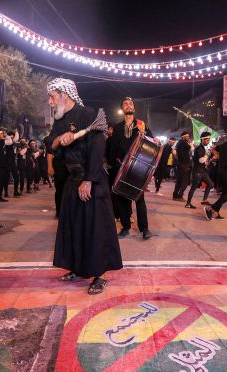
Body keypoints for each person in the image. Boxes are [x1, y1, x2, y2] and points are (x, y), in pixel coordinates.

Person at [47, 78, 122, 294]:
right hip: (71, 179)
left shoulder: (89, 115)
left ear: (65, 95)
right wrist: (61, 138)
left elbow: (98, 149)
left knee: (94, 228)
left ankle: (99, 276)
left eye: (52, 97)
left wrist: (89, 180)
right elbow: (49, 143)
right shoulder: (60, 120)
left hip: (91, 179)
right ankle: (77, 268)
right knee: (73, 225)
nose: (50, 102)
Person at [107, 97, 154, 240]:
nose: (128, 106)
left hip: (138, 168)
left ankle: (144, 229)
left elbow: (152, 144)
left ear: (134, 108)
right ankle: (125, 227)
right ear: (122, 109)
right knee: (122, 200)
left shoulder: (141, 125)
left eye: (131, 104)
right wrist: (110, 164)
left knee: (139, 199)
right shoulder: (116, 127)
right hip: (121, 167)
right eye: (125, 104)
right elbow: (112, 148)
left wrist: (143, 133)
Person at [185, 131, 214, 209]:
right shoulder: (199, 149)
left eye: (209, 140)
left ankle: (204, 200)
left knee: (210, 184)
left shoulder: (201, 148)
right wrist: (207, 155)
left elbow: (203, 161)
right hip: (197, 171)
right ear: (203, 140)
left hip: (202, 171)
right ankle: (188, 204)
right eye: (207, 140)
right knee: (194, 187)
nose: (208, 141)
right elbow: (201, 160)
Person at [172, 132, 192, 200]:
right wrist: (190, 142)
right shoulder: (184, 143)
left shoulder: (179, 143)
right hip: (184, 164)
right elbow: (191, 148)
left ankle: (175, 195)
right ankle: (180, 195)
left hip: (180, 164)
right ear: (183, 137)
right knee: (185, 181)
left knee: (179, 180)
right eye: (187, 136)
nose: (188, 138)